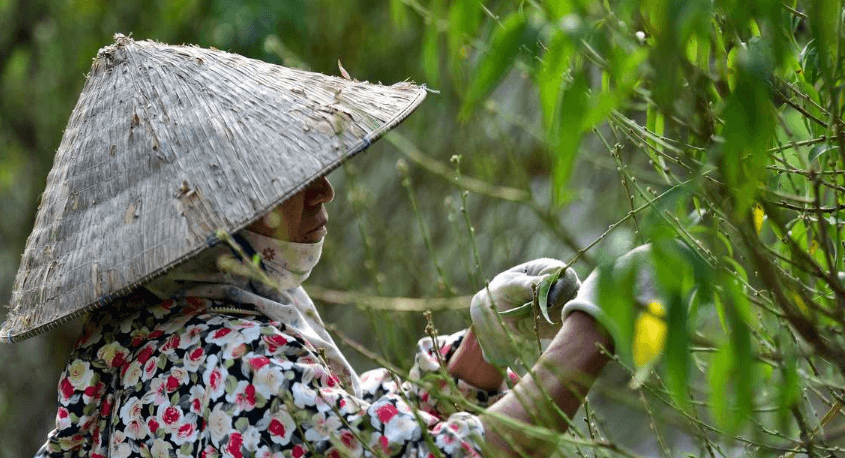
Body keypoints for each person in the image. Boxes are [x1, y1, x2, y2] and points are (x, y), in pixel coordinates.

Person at [4, 36, 614, 457]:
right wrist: (596, 328)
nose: (323, 190)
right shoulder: (225, 363)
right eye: (285, 181)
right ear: (213, 214)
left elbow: (343, 434)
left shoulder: (167, 338)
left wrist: (480, 351)